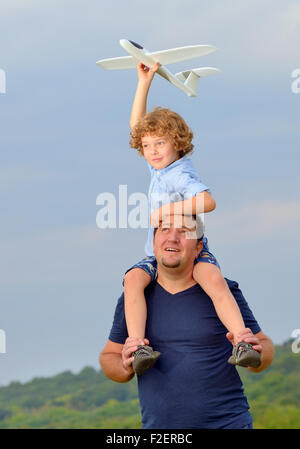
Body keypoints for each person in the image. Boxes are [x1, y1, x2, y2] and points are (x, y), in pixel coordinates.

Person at [123, 62, 261, 375]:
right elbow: (137, 127)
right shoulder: (158, 168)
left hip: (191, 250)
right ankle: (138, 346)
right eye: (147, 146)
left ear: (178, 143)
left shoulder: (181, 172)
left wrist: (165, 212)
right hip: (157, 255)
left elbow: (207, 201)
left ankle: (242, 340)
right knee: (133, 280)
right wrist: (143, 82)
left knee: (212, 279)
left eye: (160, 143)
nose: (152, 151)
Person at [100, 214, 274, 429]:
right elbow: (109, 357)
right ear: (153, 243)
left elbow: (264, 346)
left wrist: (257, 354)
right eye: (165, 230)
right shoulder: (135, 298)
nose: (173, 238)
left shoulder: (224, 292)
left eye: (184, 231)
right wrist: (125, 366)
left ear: (199, 247)